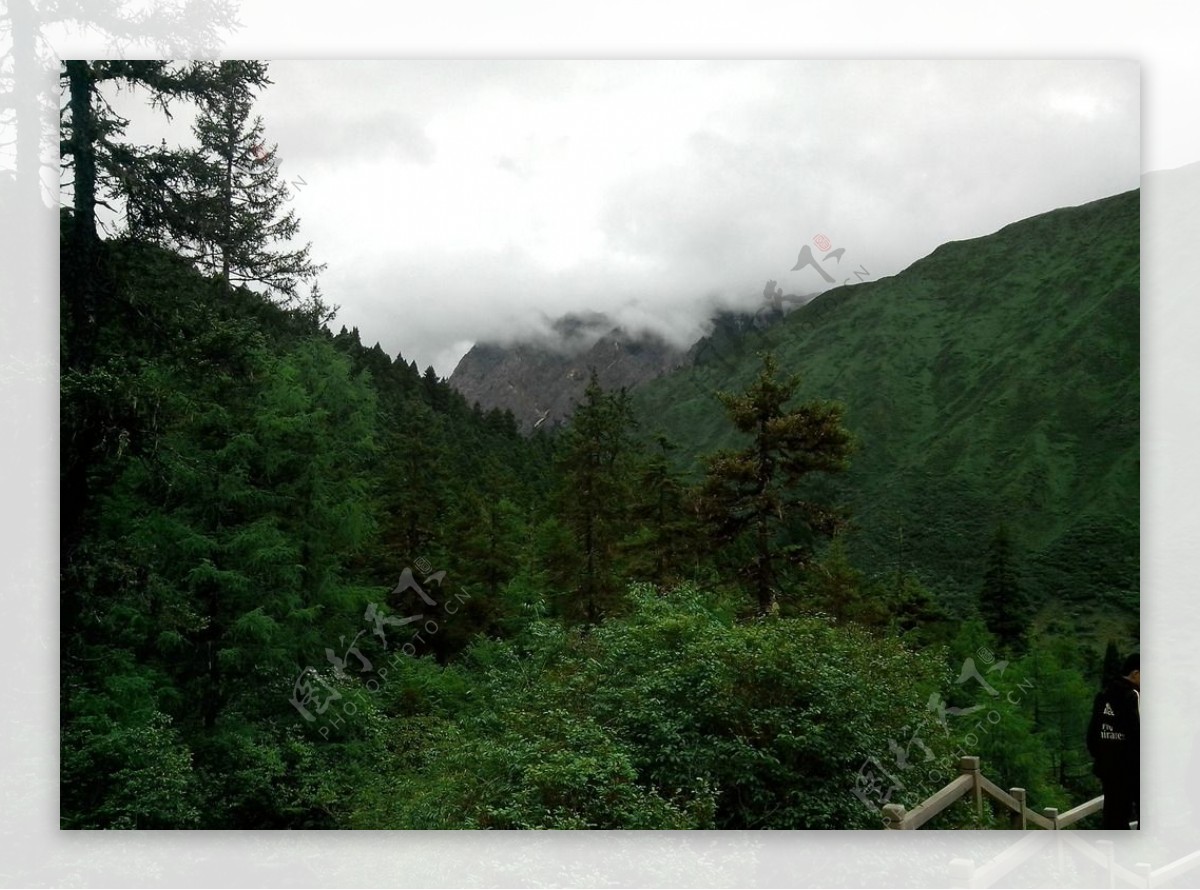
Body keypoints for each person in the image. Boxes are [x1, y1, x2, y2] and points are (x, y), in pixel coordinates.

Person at [1088, 652, 1140, 828]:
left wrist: (1104, 758)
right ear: (1135, 674)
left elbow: (1092, 736)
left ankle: (1114, 854)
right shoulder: (1134, 696)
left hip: (1108, 769)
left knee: (1113, 819)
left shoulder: (1104, 694)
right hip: (1132, 769)